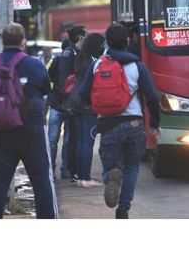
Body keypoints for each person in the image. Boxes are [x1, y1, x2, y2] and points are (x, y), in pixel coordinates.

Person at [79, 23, 161, 218]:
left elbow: (83, 94)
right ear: (127, 41)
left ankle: (111, 177)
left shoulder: (97, 64)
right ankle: (123, 209)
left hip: (108, 125)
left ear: (107, 42)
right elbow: (151, 97)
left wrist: (100, 106)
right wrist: (154, 124)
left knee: (111, 167)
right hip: (134, 124)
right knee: (132, 167)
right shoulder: (137, 66)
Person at [0, 23, 58, 219]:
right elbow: (45, 89)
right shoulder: (35, 64)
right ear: (23, 42)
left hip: (0, 130)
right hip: (31, 129)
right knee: (41, 179)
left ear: (2, 41)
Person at [70, 33, 105, 188]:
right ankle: (85, 178)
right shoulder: (93, 62)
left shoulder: (80, 58)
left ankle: (79, 176)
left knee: (80, 140)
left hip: (76, 105)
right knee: (87, 142)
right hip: (87, 106)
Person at [58, 25, 87, 182]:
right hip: (71, 101)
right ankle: (71, 169)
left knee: (75, 136)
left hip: (77, 101)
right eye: (85, 35)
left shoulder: (79, 53)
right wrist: (68, 101)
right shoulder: (69, 53)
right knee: (72, 137)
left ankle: (74, 169)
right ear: (81, 37)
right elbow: (65, 80)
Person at [47, 39, 70, 179]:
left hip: (62, 106)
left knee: (58, 140)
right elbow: (47, 79)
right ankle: (54, 169)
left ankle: (61, 169)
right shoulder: (56, 61)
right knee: (55, 140)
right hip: (58, 105)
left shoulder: (74, 60)